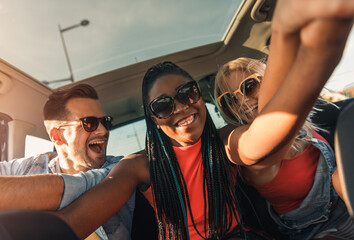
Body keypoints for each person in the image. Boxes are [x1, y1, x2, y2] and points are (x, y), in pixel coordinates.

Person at [0, 1, 353, 240]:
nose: (181, 108)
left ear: (199, 97)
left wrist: (303, 46)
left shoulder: (225, 141)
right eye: (163, 106)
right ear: (153, 119)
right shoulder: (138, 166)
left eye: (187, 93)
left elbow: (265, 139)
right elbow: (74, 222)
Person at [214, 56, 354, 239]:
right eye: (229, 100)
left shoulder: (305, 121)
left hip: (346, 207)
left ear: (268, 80)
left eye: (249, 86)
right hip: (315, 231)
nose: (241, 102)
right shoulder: (249, 149)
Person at [0, 84, 135, 240]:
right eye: (89, 123)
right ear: (57, 136)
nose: (104, 131)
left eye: (105, 121)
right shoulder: (28, 168)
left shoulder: (122, 169)